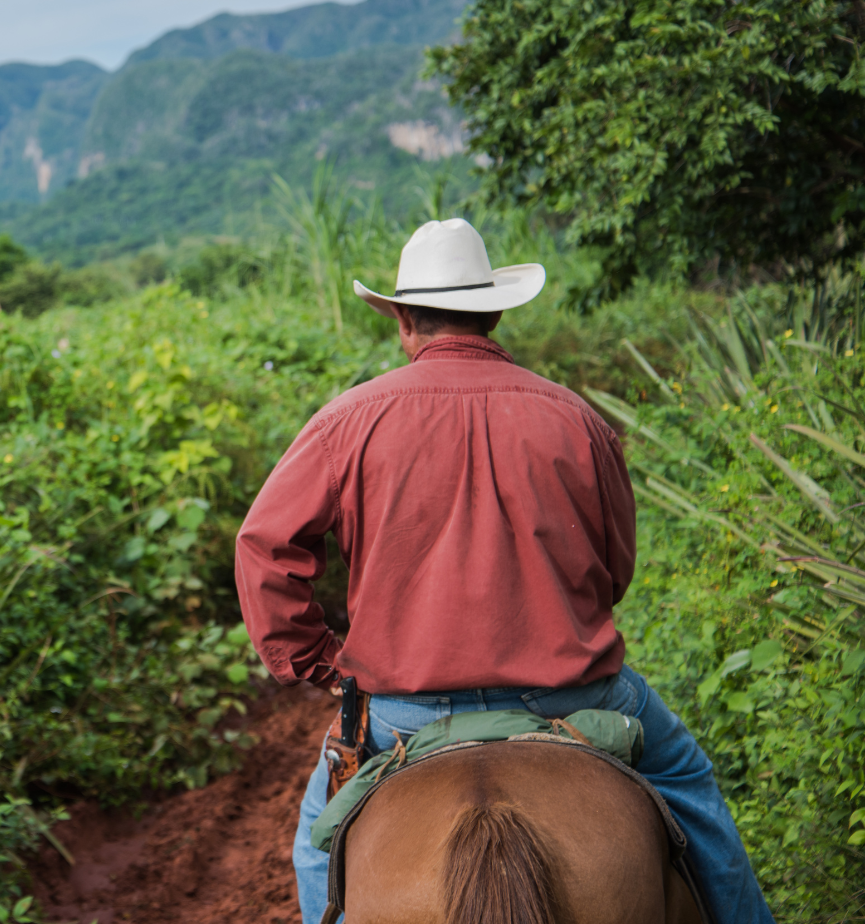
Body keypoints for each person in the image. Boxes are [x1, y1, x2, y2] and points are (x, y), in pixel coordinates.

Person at [234, 219, 772, 924]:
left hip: (405, 711)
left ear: (402, 320)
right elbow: (612, 569)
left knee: (316, 842)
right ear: (494, 311)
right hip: (574, 700)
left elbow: (264, 547)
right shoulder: (576, 418)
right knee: (690, 787)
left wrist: (320, 663)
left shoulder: (347, 420)